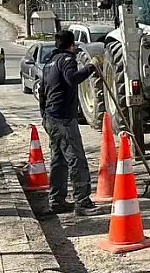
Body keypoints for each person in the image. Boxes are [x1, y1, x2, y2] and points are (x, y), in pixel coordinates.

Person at [38, 29, 104, 216]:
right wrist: (92, 66)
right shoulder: (67, 60)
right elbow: (72, 79)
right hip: (63, 119)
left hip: (51, 117)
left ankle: (56, 201)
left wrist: (44, 116)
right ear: (71, 45)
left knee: (58, 160)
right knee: (76, 159)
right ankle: (82, 202)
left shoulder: (49, 63)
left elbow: (42, 93)